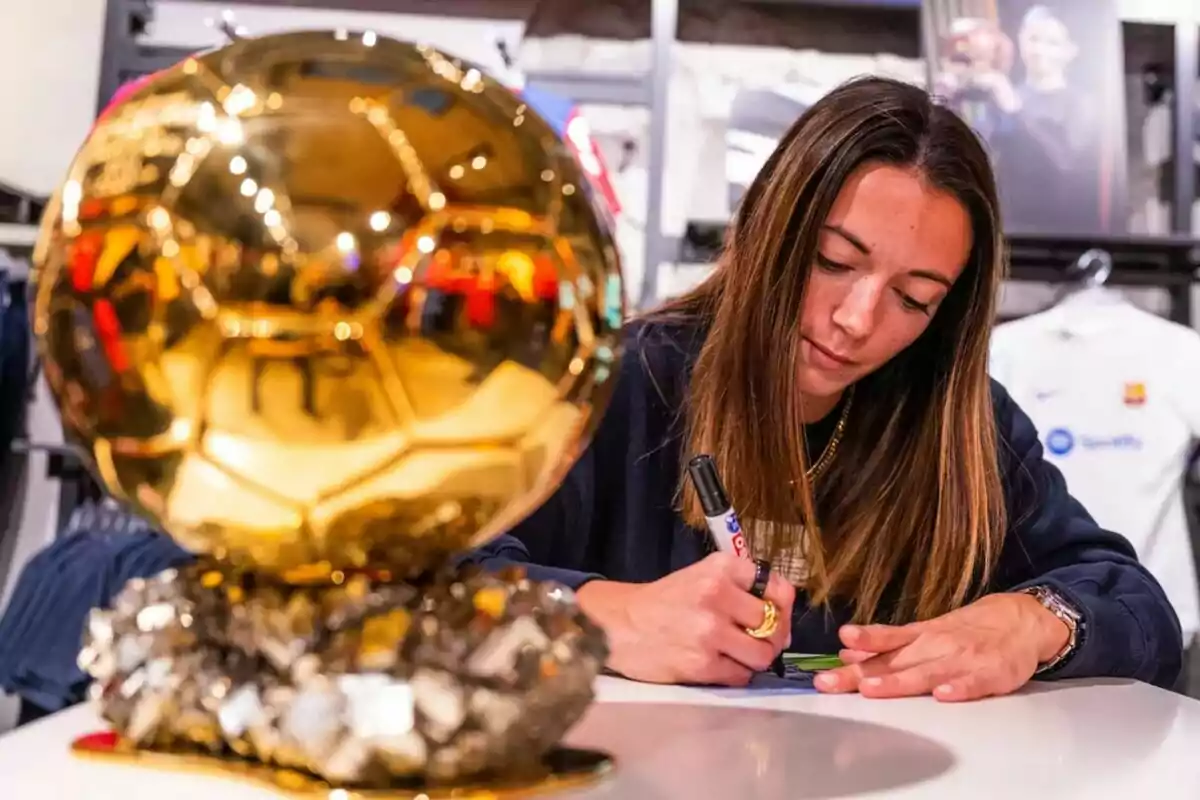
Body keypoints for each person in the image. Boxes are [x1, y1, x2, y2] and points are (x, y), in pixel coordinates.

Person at [462, 75, 1183, 701]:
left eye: (915, 298)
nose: (857, 320)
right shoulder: (612, 384)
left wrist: (1035, 624)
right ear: (772, 224)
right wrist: (595, 616)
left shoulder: (961, 426)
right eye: (834, 261)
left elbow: (1139, 608)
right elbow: (419, 581)